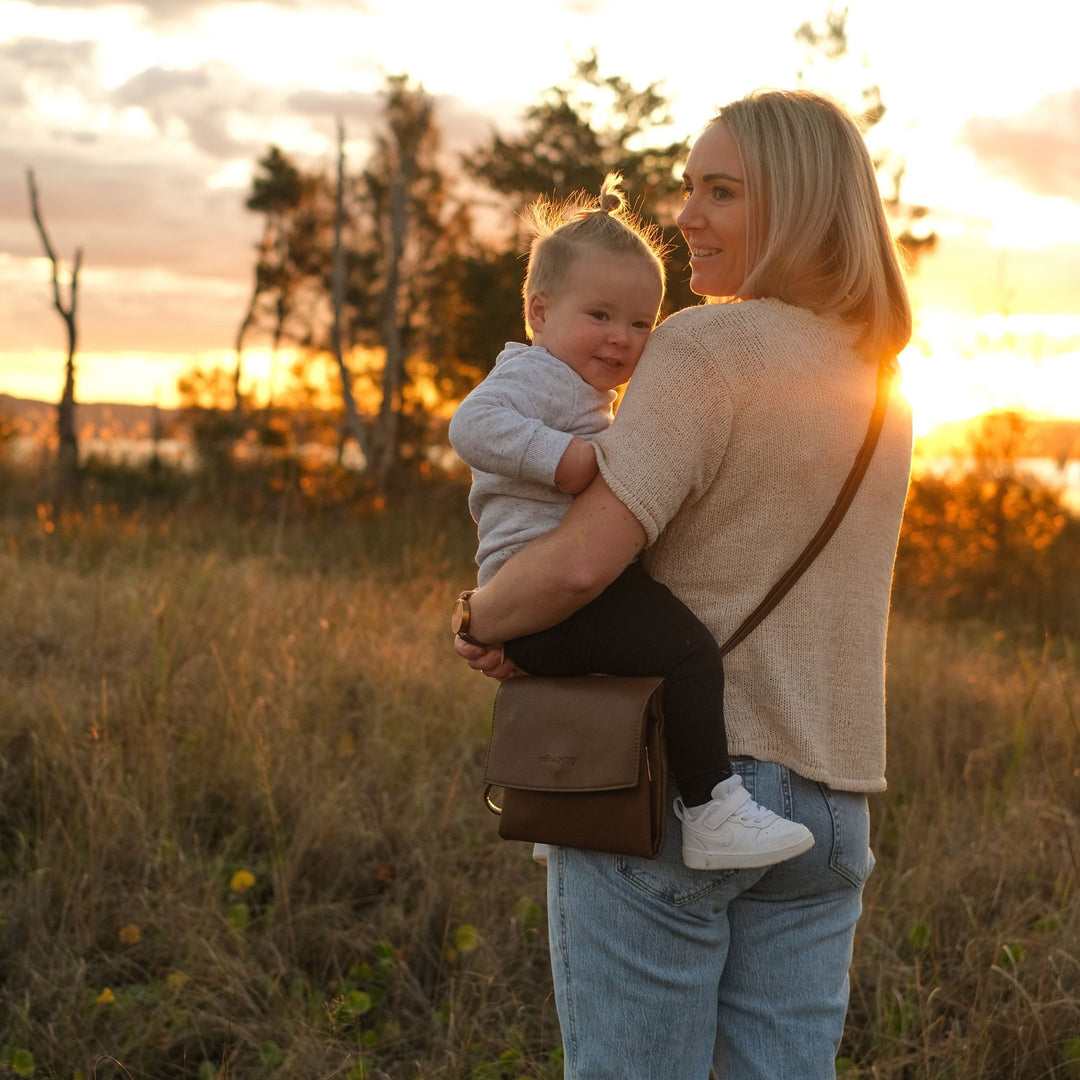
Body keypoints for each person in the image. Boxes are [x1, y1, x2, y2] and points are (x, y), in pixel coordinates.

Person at [453, 88, 914, 1080]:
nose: (686, 217)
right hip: (829, 806)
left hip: (676, 786)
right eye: (688, 188)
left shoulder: (702, 348)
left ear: (794, 205)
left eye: (720, 192)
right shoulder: (880, 388)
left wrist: (478, 617)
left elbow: (581, 562)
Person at [449, 175, 812, 870]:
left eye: (642, 323)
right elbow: (472, 424)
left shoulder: (585, 388)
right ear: (538, 313)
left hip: (539, 600)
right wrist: (566, 461)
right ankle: (712, 810)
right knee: (686, 655)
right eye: (601, 316)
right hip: (543, 585)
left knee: (600, 693)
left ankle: (560, 810)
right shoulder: (532, 376)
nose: (622, 339)